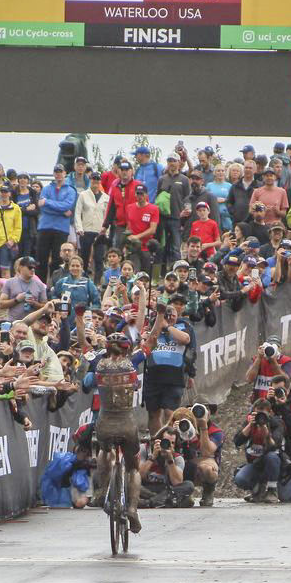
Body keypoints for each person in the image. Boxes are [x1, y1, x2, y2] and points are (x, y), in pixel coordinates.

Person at [91, 332, 144, 533]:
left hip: (104, 422)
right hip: (127, 423)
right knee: (133, 467)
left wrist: (79, 317)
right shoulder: (133, 361)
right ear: (126, 348)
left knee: (104, 451)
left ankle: (104, 489)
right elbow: (152, 339)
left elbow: (83, 346)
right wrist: (158, 316)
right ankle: (132, 508)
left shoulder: (99, 363)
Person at [141, 293, 192, 433]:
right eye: (166, 315)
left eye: (172, 315)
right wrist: (159, 322)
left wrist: (167, 327)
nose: (169, 317)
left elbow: (185, 339)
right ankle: (155, 441)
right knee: (153, 414)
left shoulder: (183, 326)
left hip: (174, 379)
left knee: (171, 414)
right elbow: (149, 340)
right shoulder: (152, 327)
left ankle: (170, 441)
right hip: (153, 378)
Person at [233, 398, 285, 503]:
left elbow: (274, 446)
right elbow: (237, 441)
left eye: (263, 414)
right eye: (257, 413)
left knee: (287, 496)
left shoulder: (276, 423)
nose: (259, 417)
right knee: (240, 479)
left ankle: (272, 490)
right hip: (255, 464)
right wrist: (249, 425)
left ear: (270, 413)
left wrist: (265, 430)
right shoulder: (249, 422)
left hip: (274, 466)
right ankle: (257, 489)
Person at [36, 166, 78, 282]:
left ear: (65, 173)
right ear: (53, 174)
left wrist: (47, 202)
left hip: (61, 229)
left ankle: (56, 286)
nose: (58, 174)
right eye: (56, 172)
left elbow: (67, 206)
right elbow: (43, 208)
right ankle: (41, 287)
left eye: (61, 172)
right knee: (41, 260)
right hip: (45, 227)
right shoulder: (46, 189)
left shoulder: (70, 190)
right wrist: (61, 211)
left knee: (58, 260)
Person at [74, 174, 109, 280]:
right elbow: (77, 212)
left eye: (98, 181)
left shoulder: (106, 197)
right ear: (90, 181)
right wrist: (79, 228)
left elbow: (107, 216)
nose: (95, 183)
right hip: (86, 230)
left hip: (100, 231)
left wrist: (106, 231)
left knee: (99, 258)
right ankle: (82, 279)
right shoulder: (83, 195)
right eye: (93, 181)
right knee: (84, 257)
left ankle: (97, 282)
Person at [124, 183, 161, 275]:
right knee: (133, 272)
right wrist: (126, 243)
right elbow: (128, 226)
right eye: (138, 194)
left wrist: (137, 236)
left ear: (146, 195)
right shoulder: (129, 207)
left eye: (142, 194)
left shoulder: (154, 209)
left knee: (145, 274)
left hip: (147, 246)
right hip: (133, 246)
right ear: (135, 194)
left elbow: (153, 229)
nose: (140, 196)